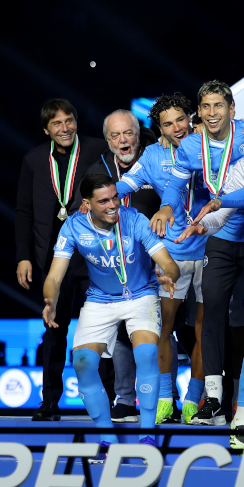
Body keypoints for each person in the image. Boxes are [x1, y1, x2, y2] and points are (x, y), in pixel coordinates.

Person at [44, 173, 180, 453]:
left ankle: (147, 434)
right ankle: (106, 436)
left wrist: (167, 274)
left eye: (115, 197)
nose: (112, 205)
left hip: (141, 294)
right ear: (87, 204)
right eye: (103, 201)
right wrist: (50, 301)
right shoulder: (73, 226)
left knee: (145, 354)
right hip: (101, 299)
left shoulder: (135, 220)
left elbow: (168, 262)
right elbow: (55, 277)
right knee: (82, 363)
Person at [161, 83, 244, 424]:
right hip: (217, 236)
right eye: (206, 106)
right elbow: (175, 184)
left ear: (232, 107)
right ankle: (213, 398)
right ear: (198, 113)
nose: (212, 112)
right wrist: (166, 207)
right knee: (213, 316)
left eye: (219, 105)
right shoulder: (190, 144)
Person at [114, 93, 210, 424]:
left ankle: (195, 400)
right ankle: (166, 399)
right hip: (173, 253)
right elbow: (125, 184)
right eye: (167, 123)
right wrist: (97, 198)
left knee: (204, 330)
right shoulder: (152, 157)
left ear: (191, 118)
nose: (176, 127)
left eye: (180, 119)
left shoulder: (210, 147)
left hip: (211, 248)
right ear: (159, 128)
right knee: (162, 328)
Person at [15, 98, 104, 421]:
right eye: (57, 124)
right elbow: (24, 211)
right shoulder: (35, 160)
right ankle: (49, 401)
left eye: (69, 121)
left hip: (97, 255)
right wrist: (23, 257)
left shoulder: (96, 149)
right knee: (54, 328)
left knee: (102, 329)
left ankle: (110, 401)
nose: (64, 128)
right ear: (46, 129)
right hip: (55, 259)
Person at [88, 109, 161, 423]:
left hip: (157, 261)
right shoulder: (97, 171)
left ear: (138, 133)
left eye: (128, 133)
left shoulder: (157, 161)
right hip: (116, 266)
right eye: (115, 135)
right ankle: (126, 399)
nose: (122, 141)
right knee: (119, 333)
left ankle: (167, 399)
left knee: (168, 330)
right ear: (108, 140)